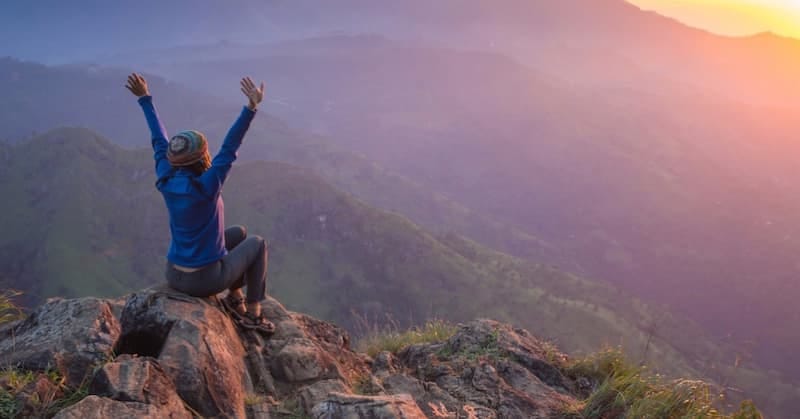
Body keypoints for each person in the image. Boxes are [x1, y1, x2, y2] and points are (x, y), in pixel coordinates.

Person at [125, 72, 274, 335]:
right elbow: (230, 145)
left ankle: (235, 297)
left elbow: (159, 141)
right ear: (203, 157)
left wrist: (145, 98)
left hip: (174, 273)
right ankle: (253, 315)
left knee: (239, 233)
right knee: (258, 243)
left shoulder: (166, 179)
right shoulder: (207, 186)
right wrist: (251, 107)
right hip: (204, 280)